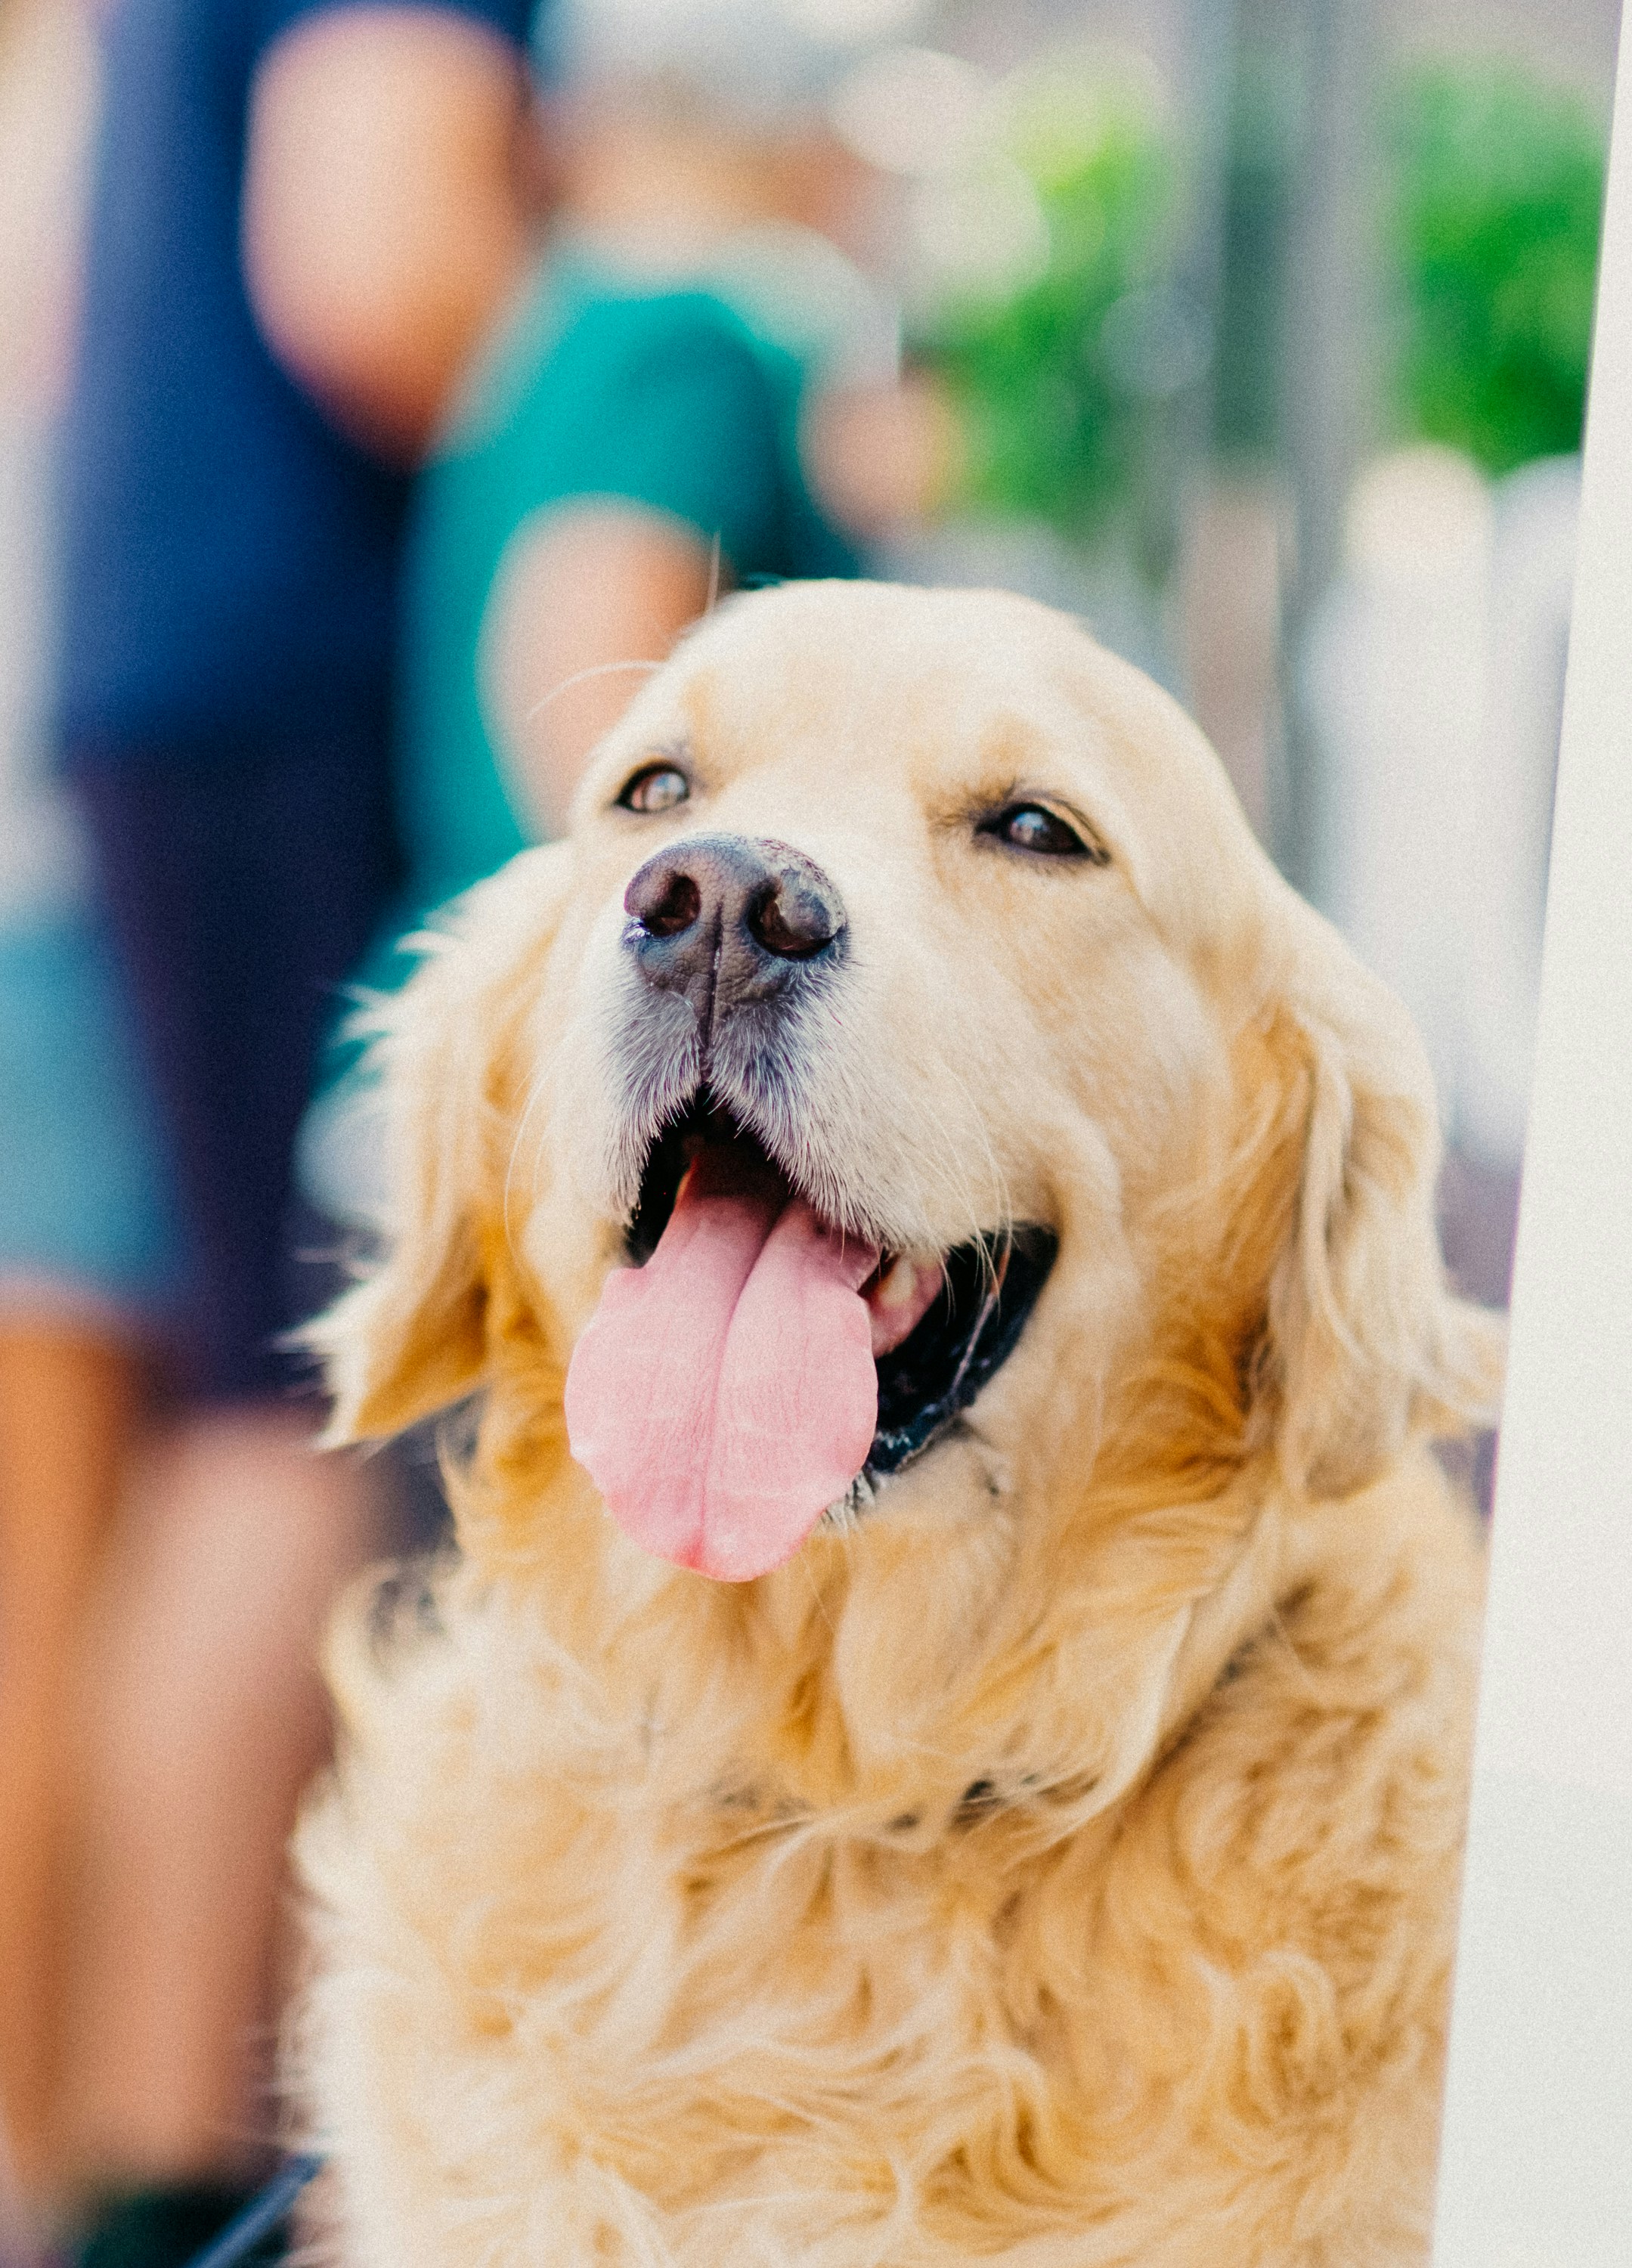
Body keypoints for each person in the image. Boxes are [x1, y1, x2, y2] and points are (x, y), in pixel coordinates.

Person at [46, 5, 543, 2262]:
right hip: (293, 699)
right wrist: (640, 334)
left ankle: (146, 2169)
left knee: (244, 1407)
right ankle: (175, 2185)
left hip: (190, 674)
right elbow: (380, 268)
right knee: (297, 1416)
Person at [302, 0, 953, 1237]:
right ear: (806, 143)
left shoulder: (556, 325)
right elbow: (578, 675)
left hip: (482, 1060)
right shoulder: (691, 331)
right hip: (564, 1104)